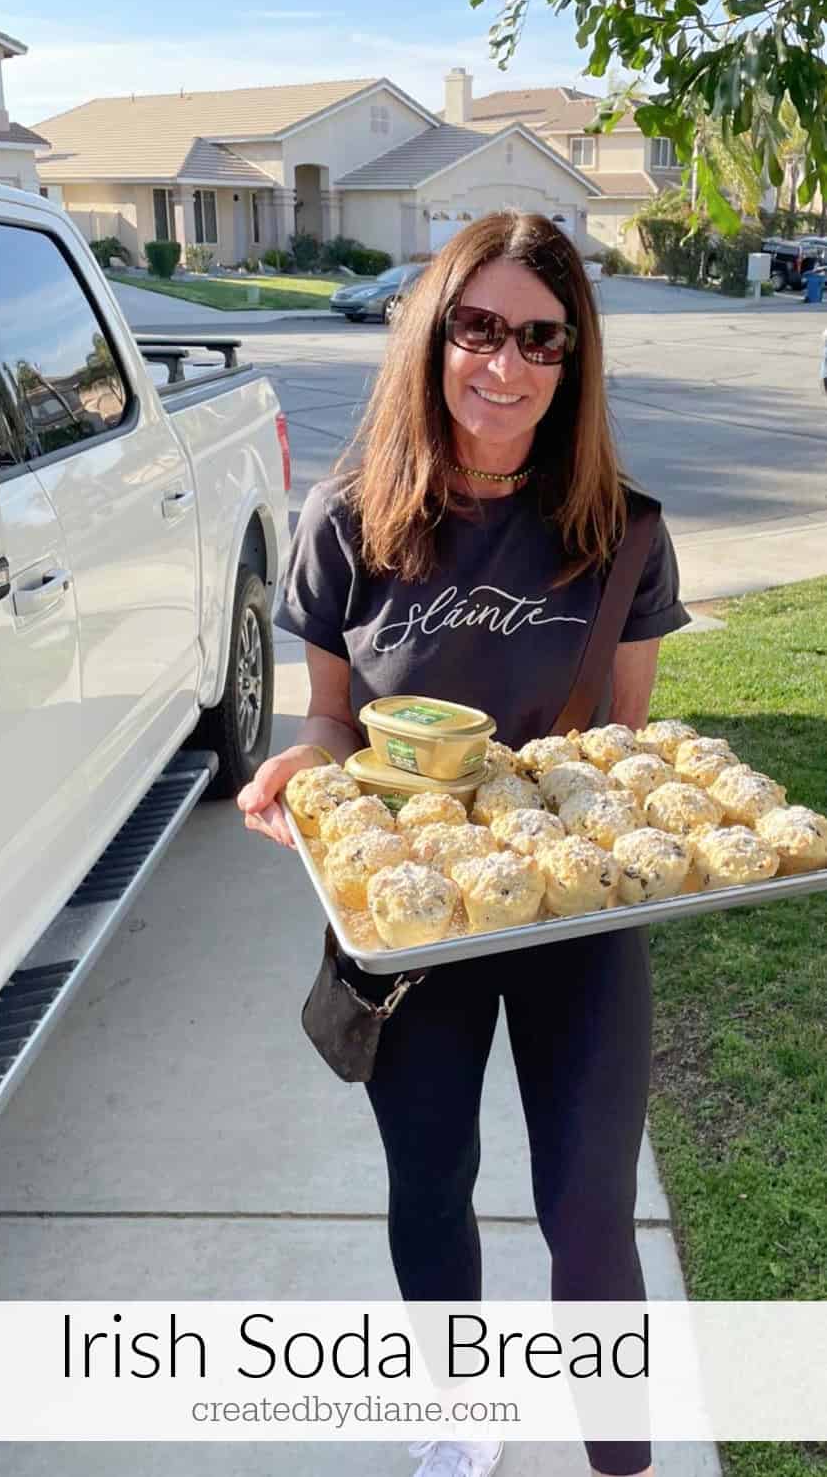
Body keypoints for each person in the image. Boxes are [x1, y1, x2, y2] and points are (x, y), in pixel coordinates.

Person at [237, 211, 690, 1477]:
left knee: (589, 1204)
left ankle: (618, 1445)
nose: (505, 363)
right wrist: (298, 766)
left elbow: (614, 745)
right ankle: (455, 1407)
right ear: (433, 336)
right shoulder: (351, 520)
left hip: (571, 918)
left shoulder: (625, 532)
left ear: (573, 359)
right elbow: (333, 719)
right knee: (430, 1184)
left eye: (539, 339)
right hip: (410, 914)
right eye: (476, 327)